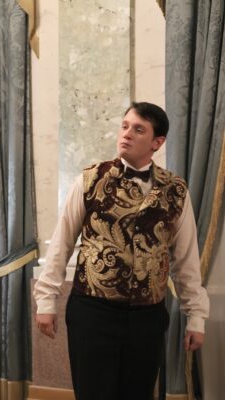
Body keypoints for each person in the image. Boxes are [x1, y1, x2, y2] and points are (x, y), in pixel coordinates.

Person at [33, 102, 210, 400]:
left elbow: (186, 258)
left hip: (148, 318)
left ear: (157, 142)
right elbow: (62, 243)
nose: (126, 134)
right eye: (125, 126)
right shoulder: (89, 180)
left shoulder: (176, 190)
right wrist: (45, 300)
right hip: (92, 313)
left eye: (138, 129)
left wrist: (196, 316)